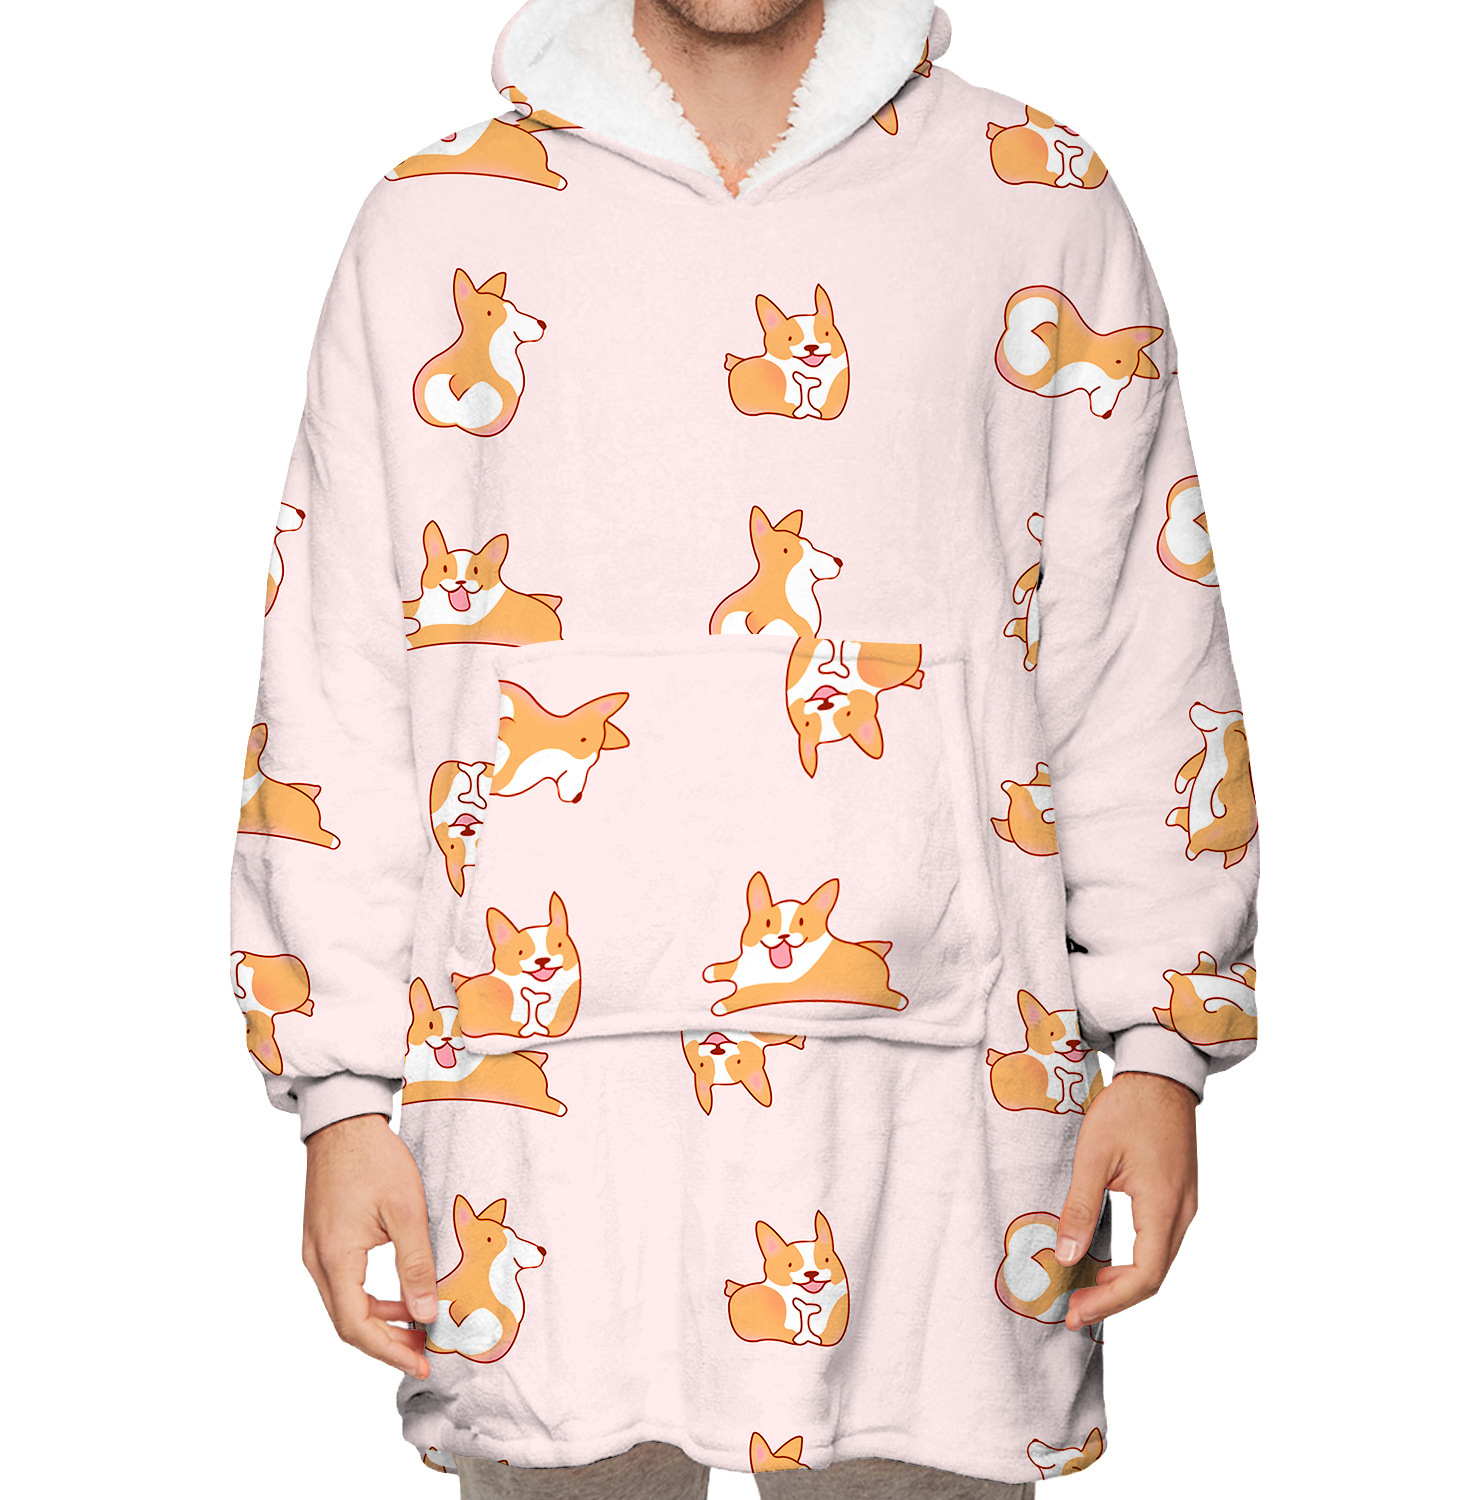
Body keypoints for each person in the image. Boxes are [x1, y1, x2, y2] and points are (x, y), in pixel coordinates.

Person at [230, 2, 1259, 1495]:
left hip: (940, 1099)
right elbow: (337, 669)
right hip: (539, 1104)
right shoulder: (434, 222)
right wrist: (338, 1100)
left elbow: (1136, 646)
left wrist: (1161, 1050)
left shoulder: (1033, 194)